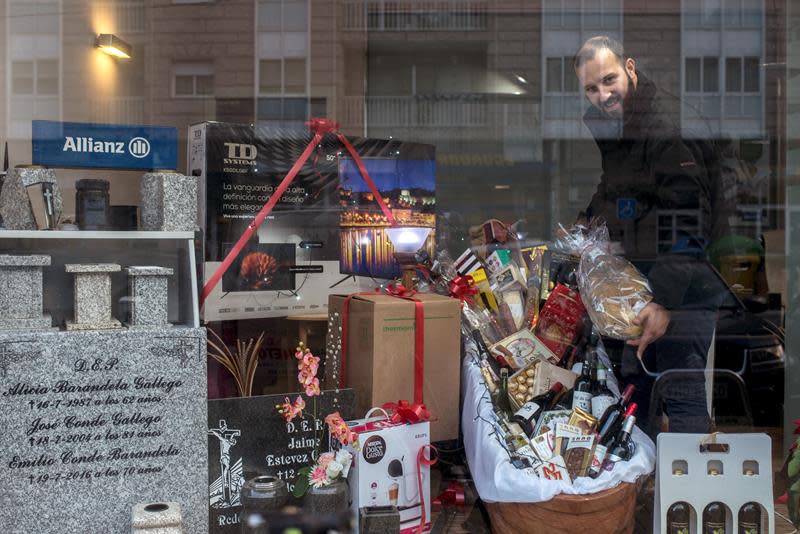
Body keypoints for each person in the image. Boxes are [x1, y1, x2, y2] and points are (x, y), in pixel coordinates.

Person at [572, 35, 735, 437]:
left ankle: (693, 497)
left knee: (681, 391)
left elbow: (689, 222)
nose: (602, 94)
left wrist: (662, 300)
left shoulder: (666, 128)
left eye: (609, 80)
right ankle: (642, 492)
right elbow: (614, 192)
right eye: (591, 88)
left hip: (688, 286)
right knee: (636, 388)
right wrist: (581, 236)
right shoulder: (623, 126)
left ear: (630, 68)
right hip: (648, 282)